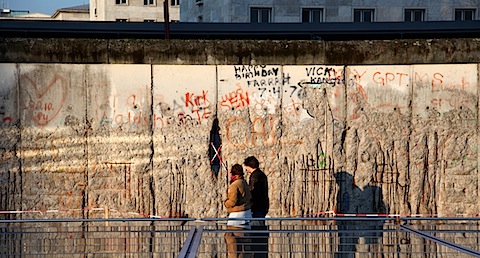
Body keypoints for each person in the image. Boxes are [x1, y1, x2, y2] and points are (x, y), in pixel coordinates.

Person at [224, 164, 252, 258]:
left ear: (234, 174)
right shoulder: (244, 183)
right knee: (245, 247)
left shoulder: (234, 185)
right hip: (247, 216)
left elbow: (233, 201)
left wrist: (226, 203)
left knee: (233, 245)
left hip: (236, 218)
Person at [243, 156, 269, 258]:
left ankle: (258, 253)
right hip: (262, 206)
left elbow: (252, 193)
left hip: (256, 208)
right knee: (260, 231)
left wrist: (249, 203)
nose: (245, 169)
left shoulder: (254, 176)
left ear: (249, 166)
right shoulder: (262, 175)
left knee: (256, 233)